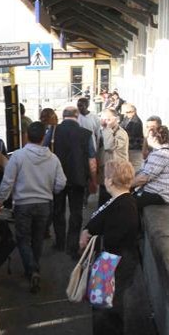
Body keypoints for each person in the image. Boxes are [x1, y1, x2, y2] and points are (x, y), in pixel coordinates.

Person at [77, 158, 140, 335]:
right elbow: (99, 220)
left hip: (113, 260)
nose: (104, 179)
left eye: (106, 176)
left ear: (111, 180)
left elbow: (115, 236)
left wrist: (94, 235)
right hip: (115, 259)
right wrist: (89, 229)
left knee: (101, 304)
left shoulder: (124, 205)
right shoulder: (120, 200)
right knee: (113, 303)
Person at [0, 122, 66, 293]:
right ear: (43, 137)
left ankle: (32, 269)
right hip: (44, 204)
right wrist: (51, 189)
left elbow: (8, 181)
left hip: (23, 204)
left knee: (22, 238)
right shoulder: (53, 158)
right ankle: (34, 267)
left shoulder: (18, 156)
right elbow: (61, 183)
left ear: (26, 135)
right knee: (38, 237)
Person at [52, 106, 99, 257]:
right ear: (77, 116)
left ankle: (59, 243)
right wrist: (93, 180)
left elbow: (44, 151)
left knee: (58, 210)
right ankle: (72, 247)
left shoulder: (54, 131)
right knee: (76, 212)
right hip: (78, 179)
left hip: (57, 178)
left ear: (63, 116)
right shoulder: (85, 134)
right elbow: (92, 160)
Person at [133, 125, 169, 209]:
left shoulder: (161, 154)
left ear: (154, 138)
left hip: (161, 195)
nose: (146, 139)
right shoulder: (160, 151)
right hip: (160, 192)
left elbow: (143, 178)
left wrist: (125, 186)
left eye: (147, 137)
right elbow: (143, 171)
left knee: (127, 203)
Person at [121, 103, 145, 170]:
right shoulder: (127, 118)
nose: (126, 114)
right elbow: (121, 126)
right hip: (128, 147)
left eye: (128, 112)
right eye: (126, 112)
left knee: (134, 167)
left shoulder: (136, 122)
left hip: (134, 148)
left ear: (134, 112)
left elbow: (133, 135)